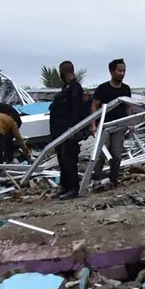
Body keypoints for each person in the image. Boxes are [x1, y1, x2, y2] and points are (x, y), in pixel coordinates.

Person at [90, 58, 133, 187]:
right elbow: (94, 106)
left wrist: (131, 122)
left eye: (124, 71)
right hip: (104, 125)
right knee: (101, 154)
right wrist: (93, 125)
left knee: (116, 154)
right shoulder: (103, 88)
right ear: (112, 71)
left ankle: (114, 179)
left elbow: (128, 107)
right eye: (119, 70)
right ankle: (96, 179)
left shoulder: (126, 89)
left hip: (119, 125)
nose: (122, 73)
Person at [49, 61, 86, 199]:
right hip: (59, 130)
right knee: (62, 159)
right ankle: (64, 187)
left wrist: (73, 129)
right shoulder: (66, 88)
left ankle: (73, 188)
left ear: (62, 72)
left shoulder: (75, 88)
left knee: (69, 159)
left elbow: (76, 110)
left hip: (68, 130)